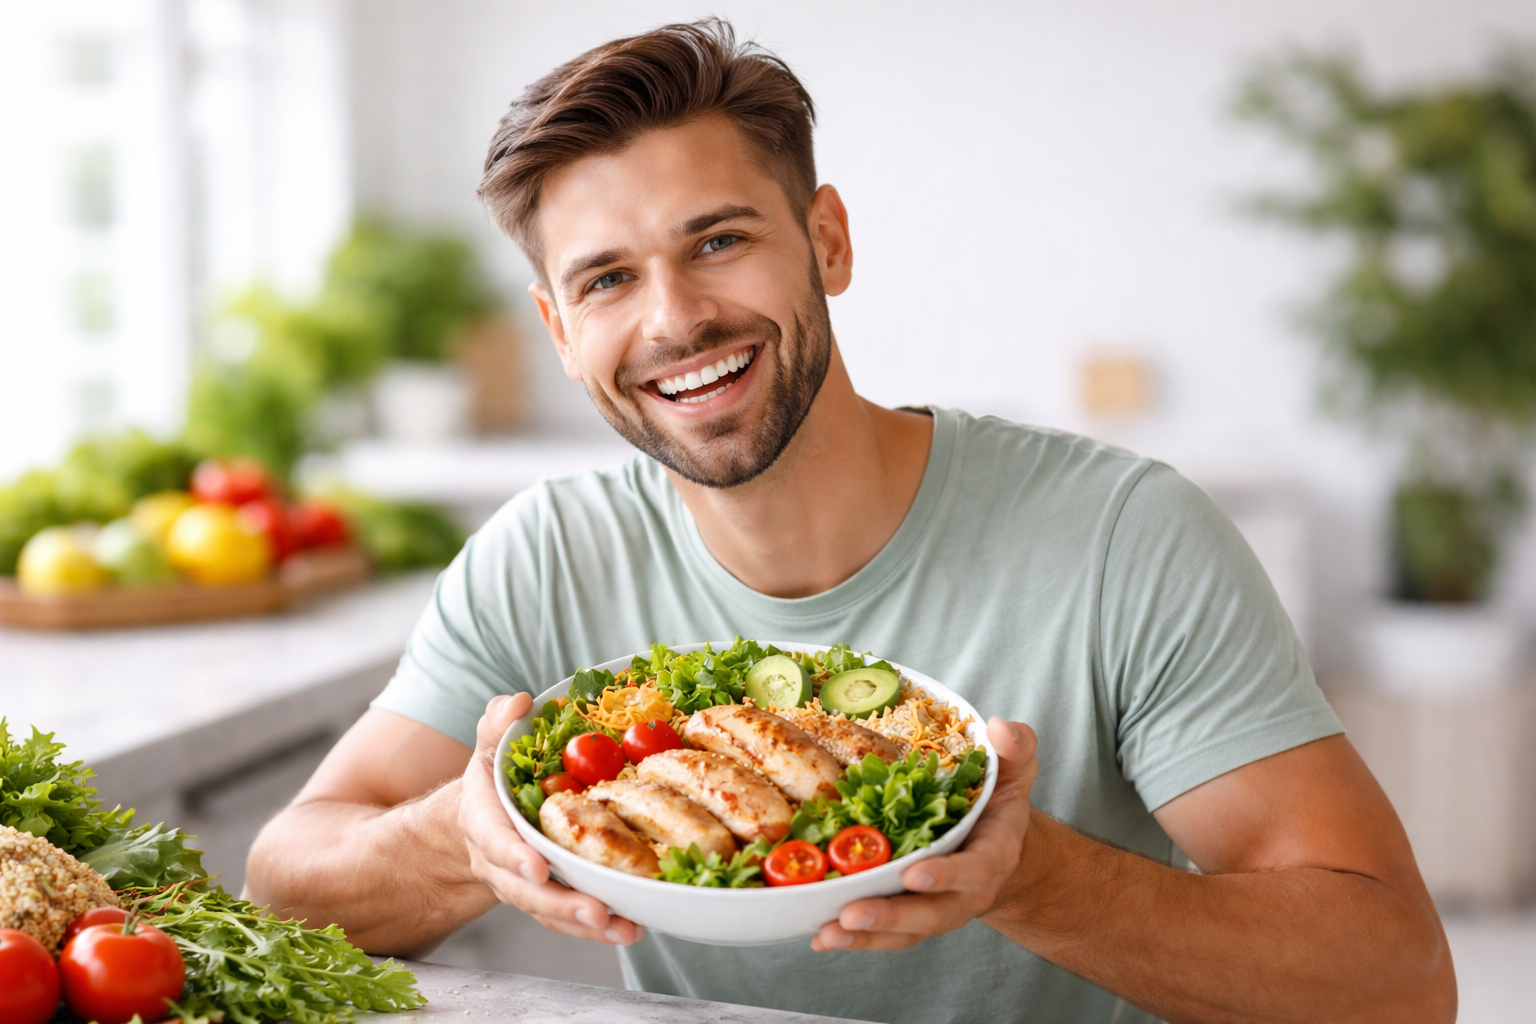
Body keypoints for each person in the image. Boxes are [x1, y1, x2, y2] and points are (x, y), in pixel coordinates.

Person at [244, 19, 1455, 1024]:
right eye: (607, 279)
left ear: (827, 240)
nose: (673, 320)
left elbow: (1396, 975)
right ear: (559, 331)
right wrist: (467, 834)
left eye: (717, 241)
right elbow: (288, 880)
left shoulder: (1124, 538)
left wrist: (1026, 875)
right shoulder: (547, 555)